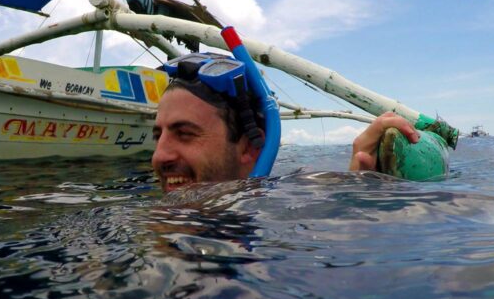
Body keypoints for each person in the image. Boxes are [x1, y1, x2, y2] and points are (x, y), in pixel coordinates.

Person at [151, 52, 419, 193]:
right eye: (157, 136)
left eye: (184, 134)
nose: (159, 156)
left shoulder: (282, 210)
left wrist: (363, 189)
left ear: (250, 149)